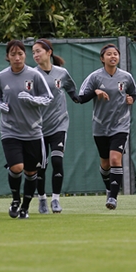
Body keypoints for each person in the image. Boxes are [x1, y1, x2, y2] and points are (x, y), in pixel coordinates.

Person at [0, 40, 53, 219]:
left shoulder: (34, 75)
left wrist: (32, 99)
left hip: (32, 131)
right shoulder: (1, 77)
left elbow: (47, 98)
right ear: (7, 57)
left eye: (20, 54)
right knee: (17, 167)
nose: (17, 58)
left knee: (31, 172)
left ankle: (25, 207)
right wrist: (0, 105)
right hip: (10, 131)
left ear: (25, 55)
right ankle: (15, 200)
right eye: (13, 54)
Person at [78, 44, 136, 210]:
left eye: (116, 54)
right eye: (109, 54)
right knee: (105, 163)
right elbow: (81, 98)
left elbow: (133, 93)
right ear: (102, 58)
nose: (113, 57)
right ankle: (109, 187)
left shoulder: (126, 77)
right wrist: (95, 92)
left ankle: (112, 197)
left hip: (121, 124)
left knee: (115, 159)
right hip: (100, 125)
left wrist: (131, 99)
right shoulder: (95, 77)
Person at [32, 39, 80, 214]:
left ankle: (56, 200)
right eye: (33, 52)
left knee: (57, 160)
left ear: (49, 52)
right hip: (38, 127)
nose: (36, 55)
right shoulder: (31, 74)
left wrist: (80, 98)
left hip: (59, 124)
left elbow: (72, 90)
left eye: (39, 51)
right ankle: (42, 200)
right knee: (40, 166)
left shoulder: (62, 73)